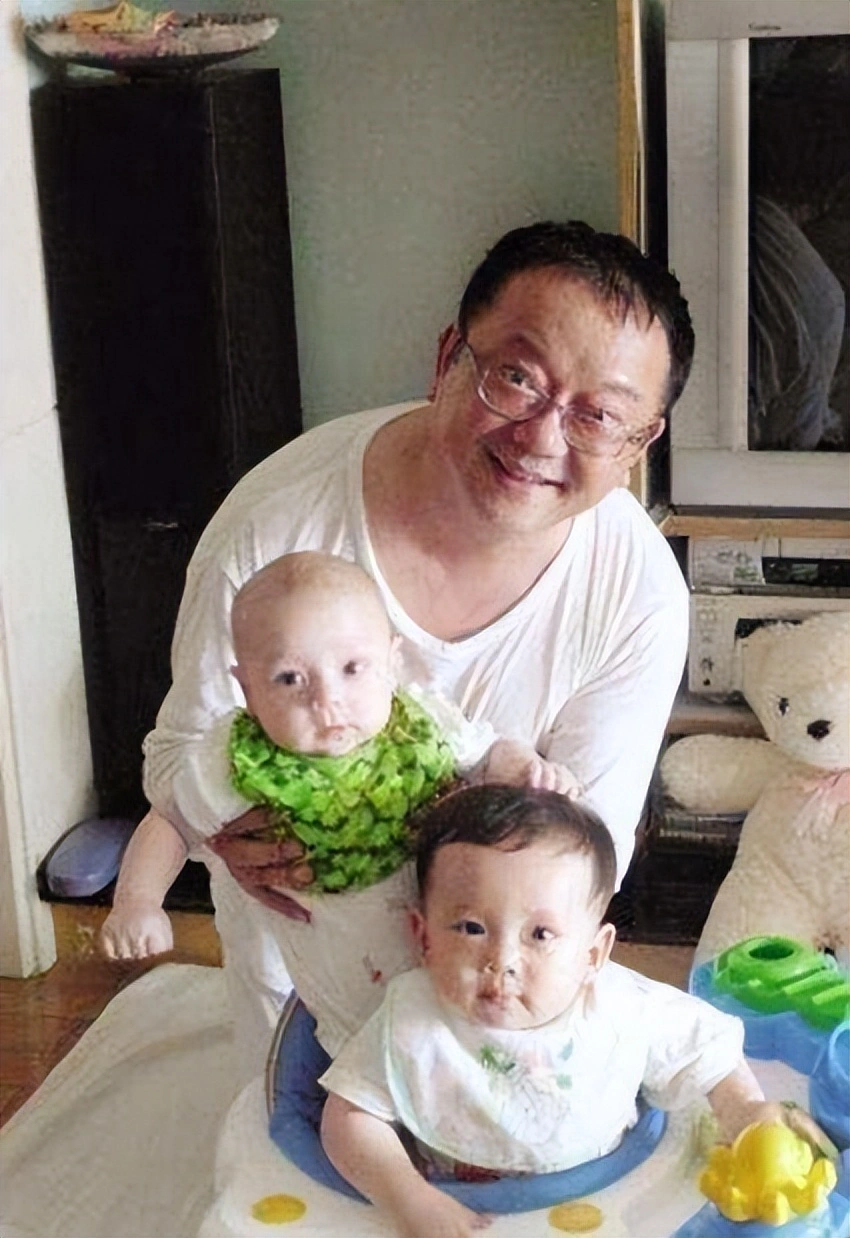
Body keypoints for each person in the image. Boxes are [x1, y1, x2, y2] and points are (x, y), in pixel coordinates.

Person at [133, 220, 694, 1064]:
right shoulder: (277, 530)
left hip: (495, 976)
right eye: (516, 378)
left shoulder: (638, 590)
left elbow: (587, 855)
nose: (542, 438)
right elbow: (178, 754)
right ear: (448, 359)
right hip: (298, 950)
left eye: (598, 415)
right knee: (290, 1126)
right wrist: (220, 838)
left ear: (639, 442)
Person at [102, 551, 579, 1056]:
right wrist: (138, 900)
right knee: (332, 1053)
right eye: (290, 679)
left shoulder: (423, 724)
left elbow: (488, 754)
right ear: (248, 690)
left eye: (352, 668)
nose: (326, 700)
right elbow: (170, 821)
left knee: (456, 1044)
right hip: (331, 976)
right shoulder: (236, 761)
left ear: (392, 663)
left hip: (443, 952)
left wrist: (528, 770)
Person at [319, 784, 830, 1238]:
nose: (502, 960)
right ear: (423, 936)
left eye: (540, 934)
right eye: (471, 928)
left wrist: (745, 1113)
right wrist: (408, 1197)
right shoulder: (411, 1016)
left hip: (609, 1202)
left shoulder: (623, 1007)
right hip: (459, 1214)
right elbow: (348, 1118)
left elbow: (709, 1052)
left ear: (593, 953)